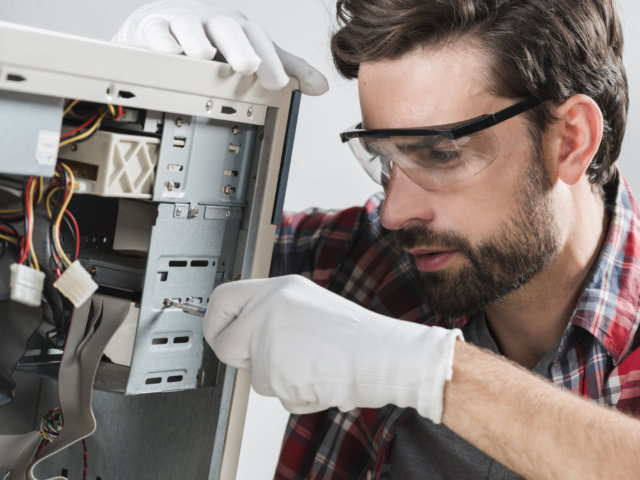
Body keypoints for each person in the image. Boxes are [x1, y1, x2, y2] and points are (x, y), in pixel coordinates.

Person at [117, 0, 640, 478]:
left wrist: (429, 372)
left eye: (441, 154)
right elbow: (98, 262)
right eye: (387, 159)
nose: (394, 213)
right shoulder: (363, 259)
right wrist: (126, 104)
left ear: (570, 140)